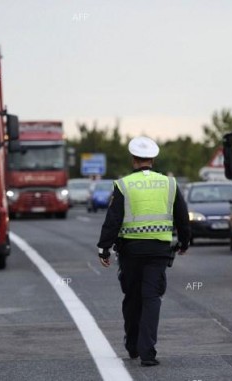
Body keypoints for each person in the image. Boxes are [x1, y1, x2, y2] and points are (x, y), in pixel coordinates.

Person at [97, 136, 190, 367]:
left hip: (131, 251)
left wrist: (104, 249)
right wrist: (185, 242)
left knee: (132, 297)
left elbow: (113, 219)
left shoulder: (124, 184)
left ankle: (132, 346)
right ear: (153, 159)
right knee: (151, 298)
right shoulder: (170, 184)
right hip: (158, 251)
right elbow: (182, 216)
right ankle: (148, 353)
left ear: (133, 159)